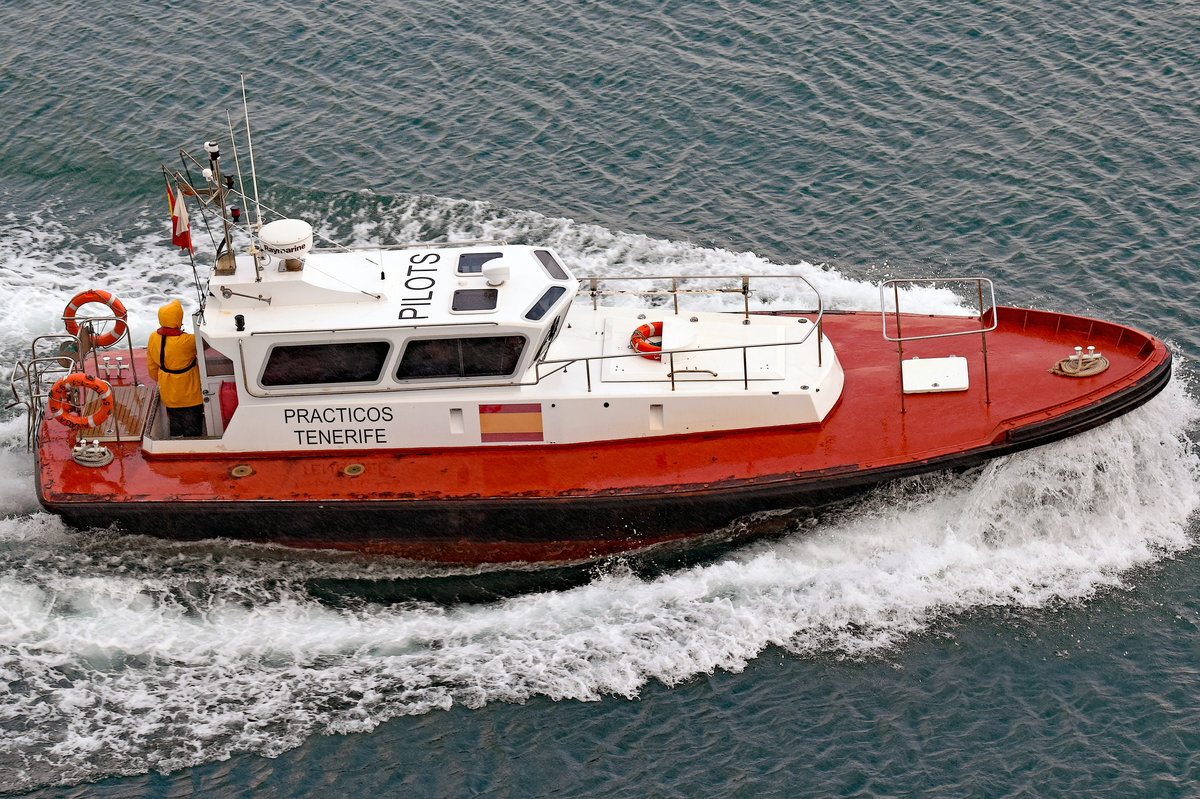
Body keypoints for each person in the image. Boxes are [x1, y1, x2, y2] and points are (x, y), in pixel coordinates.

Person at [147, 300, 203, 437]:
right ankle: (193, 450)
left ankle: (176, 443)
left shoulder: (153, 337)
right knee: (192, 428)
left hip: (168, 392)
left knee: (175, 423)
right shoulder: (188, 341)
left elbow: (152, 368)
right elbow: (205, 344)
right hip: (190, 393)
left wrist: (165, 379)